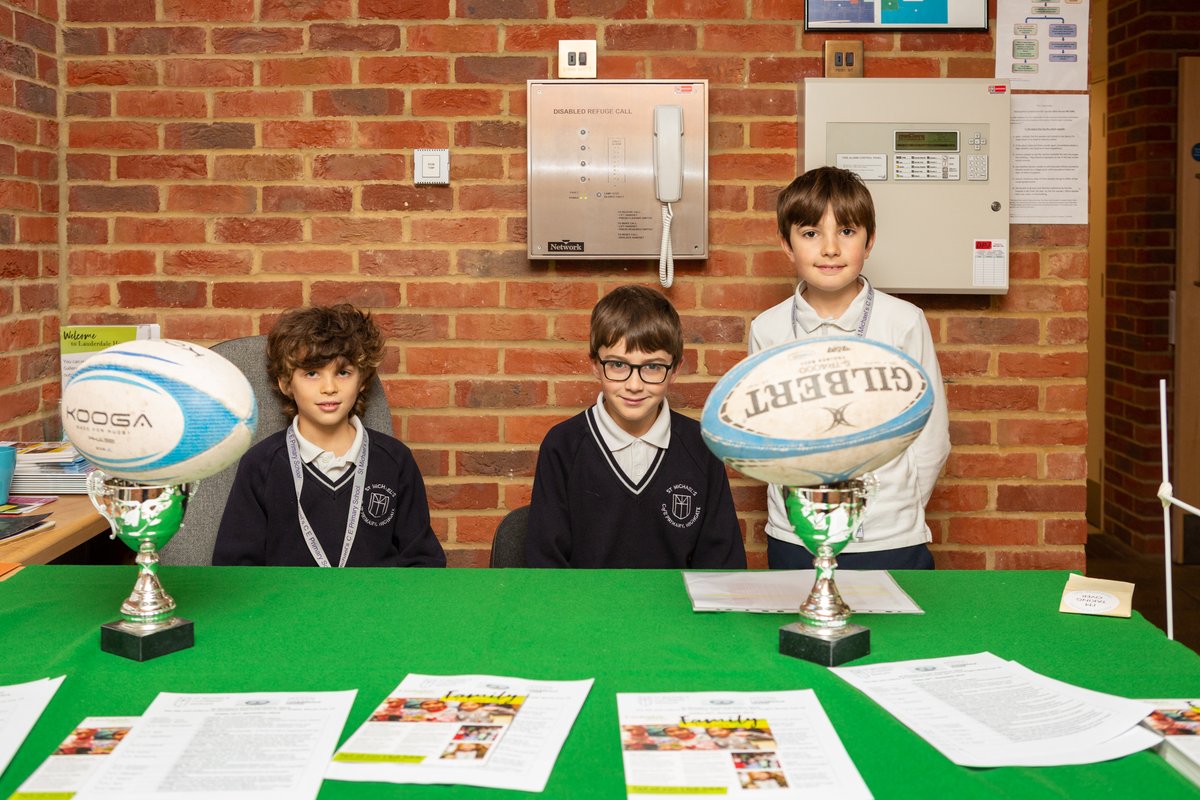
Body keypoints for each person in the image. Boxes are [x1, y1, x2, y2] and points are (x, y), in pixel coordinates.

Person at [750, 166, 950, 570]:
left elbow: (931, 436)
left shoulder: (903, 323)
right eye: (810, 234)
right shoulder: (767, 329)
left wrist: (893, 510)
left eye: (846, 232)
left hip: (889, 537)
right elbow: (762, 438)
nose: (829, 249)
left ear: (869, 240)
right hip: (795, 537)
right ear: (787, 245)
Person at [525, 285, 746, 569]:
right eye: (618, 365)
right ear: (595, 364)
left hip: (676, 612)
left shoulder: (701, 447)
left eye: (652, 367)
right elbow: (544, 565)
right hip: (582, 611)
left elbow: (722, 568)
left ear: (675, 369)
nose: (634, 384)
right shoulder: (563, 445)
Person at [213, 304, 446, 568]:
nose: (329, 388)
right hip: (287, 608)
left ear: (363, 381)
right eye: (312, 373)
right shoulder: (261, 464)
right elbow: (234, 567)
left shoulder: (395, 460)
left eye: (343, 373)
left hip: (378, 607)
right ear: (286, 383)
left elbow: (424, 562)